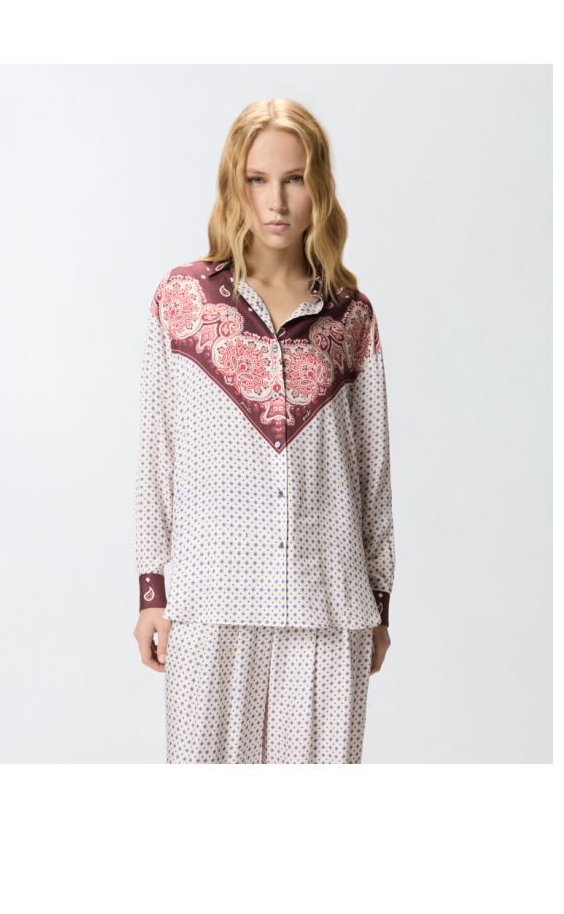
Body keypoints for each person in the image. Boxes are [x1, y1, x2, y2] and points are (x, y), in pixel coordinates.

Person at [133, 98, 396, 763]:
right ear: (235, 184)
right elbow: (157, 454)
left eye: (295, 179)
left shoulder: (350, 316)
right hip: (212, 600)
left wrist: (380, 601)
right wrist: (151, 590)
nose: (276, 201)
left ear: (319, 187)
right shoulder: (182, 300)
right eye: (258, 179)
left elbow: (373, 473)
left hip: (330, 606)